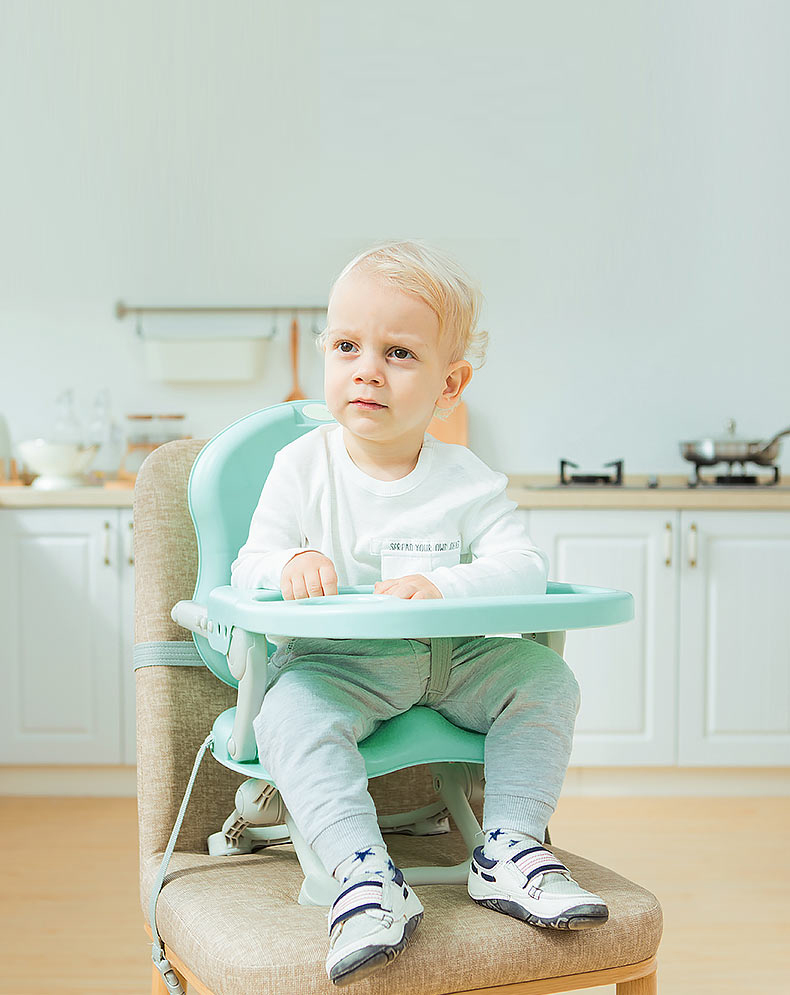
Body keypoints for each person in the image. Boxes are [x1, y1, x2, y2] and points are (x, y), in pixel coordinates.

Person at [231, 240, 608, 987]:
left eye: (398, 352)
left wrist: (447, 587)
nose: (366, 368)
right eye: (347, 345)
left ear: (449, 383)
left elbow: (523, 566)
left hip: (454, 657)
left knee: (545, 679)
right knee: (287, 712)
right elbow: (249, 566)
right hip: (343, 668)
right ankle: (363, 874)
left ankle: (509, 846)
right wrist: (289, 566)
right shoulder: (301, 468)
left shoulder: (466, 479)